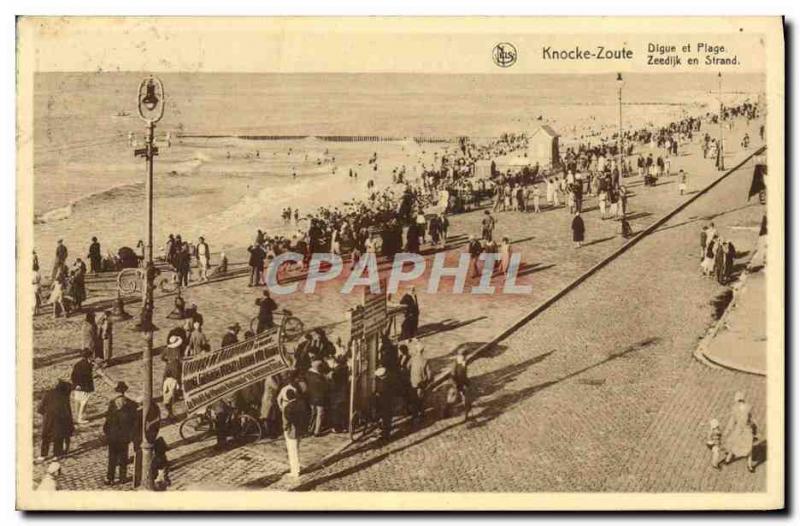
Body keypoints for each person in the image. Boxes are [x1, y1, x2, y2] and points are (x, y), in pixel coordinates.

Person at [103, 381, 138, 485]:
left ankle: (110, 478)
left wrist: (107, 432)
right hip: (124, 436)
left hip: (113, 436)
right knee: (123, 457)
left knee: (112, 458)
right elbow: (134, 421)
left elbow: (107, 422)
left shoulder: (112, 404)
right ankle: (123, 477)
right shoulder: (131, 404)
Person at [36, 380, 74, 462]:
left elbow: (41, 408)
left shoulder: (48, 393)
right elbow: (67, 410)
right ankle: (56, 454)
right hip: (60, 419)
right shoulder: (64, 396)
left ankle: (43, 455)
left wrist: (45, 414)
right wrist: (70, 422)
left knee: (46, 436)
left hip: (48, 418)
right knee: (58, 437)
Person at [279, 381, 309, 478]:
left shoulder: (287, 408)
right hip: (300, 430)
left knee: (292, 452)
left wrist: (285, 430)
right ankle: (297, 468)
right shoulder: (301, 403)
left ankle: (295, 471)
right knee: (297, 449)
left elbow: (286, 423)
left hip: (291, 432)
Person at [723, 391, 758, 472]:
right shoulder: (735, 409)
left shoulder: (749, 408)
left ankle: (749, 465)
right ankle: (727, 459)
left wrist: (754, 431)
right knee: (734, 444)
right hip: (739, 430)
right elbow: (732, 420)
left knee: (749, 448)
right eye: (738, 401)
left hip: (747, 430)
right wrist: (727, 430)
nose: (739, 403)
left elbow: (752, 420)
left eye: (739, 401)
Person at [445, 348, 472, 422]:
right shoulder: (455, 364)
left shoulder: (464, 362)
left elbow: (464, 374)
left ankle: (466, 416)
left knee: (466, 400)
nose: (464, 358)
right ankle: (446, 413)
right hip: (454, 385)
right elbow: (452, 376)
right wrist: (455, 385)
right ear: (459, 356)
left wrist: (467, 382)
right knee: (451, 400)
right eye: (463, 356)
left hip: (462, 384)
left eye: (465, 356)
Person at [407, 340, 431, 422]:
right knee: (420, 399)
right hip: (421, 383)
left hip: (413, 382)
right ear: (423, 350)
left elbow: (407, 367)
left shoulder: (413, 359)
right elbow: (429, 374)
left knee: (414, 399)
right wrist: (427, 380)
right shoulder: (425, 361)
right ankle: (420, 414)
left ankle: (415, 415)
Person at [305, 359, 330, 436]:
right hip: (320, 398)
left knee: (313, 414)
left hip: (311, 397)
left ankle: (310, 429)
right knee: (320, 414)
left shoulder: (308, 374)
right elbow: (326, 387)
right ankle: (317, 431)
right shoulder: (319, 377)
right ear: (318, 367)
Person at [70, 349, 95, 424]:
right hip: (84, 387)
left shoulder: (78, 364)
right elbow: (85, 377)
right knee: (84, 402)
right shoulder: (87, 365)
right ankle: (80, 418)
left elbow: (73, 376)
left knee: (77, 401)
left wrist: (76, 384)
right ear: (89, 356)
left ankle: (77, 416)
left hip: (78, 386)